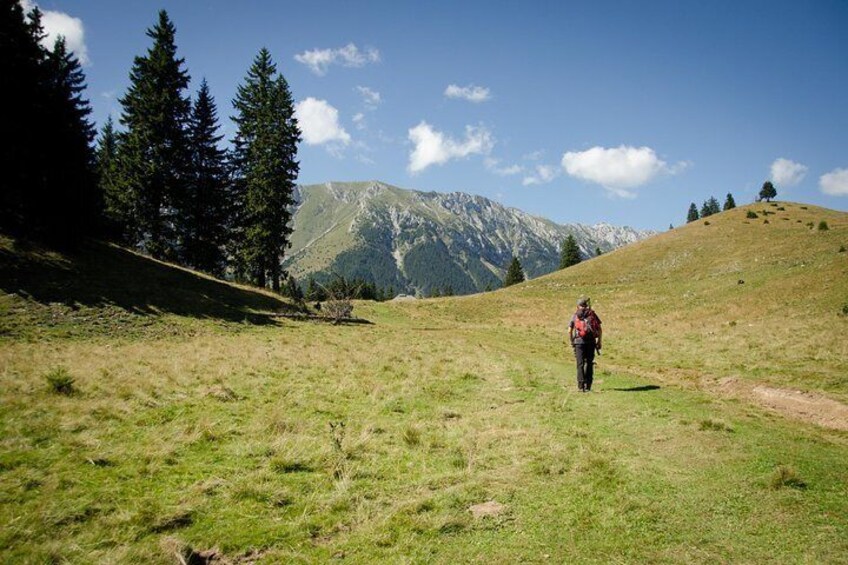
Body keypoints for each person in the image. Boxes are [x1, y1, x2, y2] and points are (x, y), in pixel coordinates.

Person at [568, 296, 602, 392]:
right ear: (586, 305)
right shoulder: (592, 314)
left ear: (577, 306)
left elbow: (569, 330)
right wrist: (599, 341)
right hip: (591, 342)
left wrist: (572, 341)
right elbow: (599, 329)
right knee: (589, 363)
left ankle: (580, 386)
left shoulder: (575, 315)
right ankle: (588, 385)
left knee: (580, 364)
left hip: (579, 342)